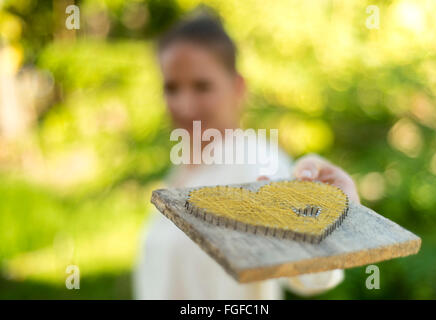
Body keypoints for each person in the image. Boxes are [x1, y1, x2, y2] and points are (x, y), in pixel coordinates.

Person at [133, 9, 360, 300]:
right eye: (172, 88)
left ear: (238, 87)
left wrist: (334, 217)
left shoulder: (253, 161)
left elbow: (310, 271)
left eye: (202, 86)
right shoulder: (182, 170)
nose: (185, 105)